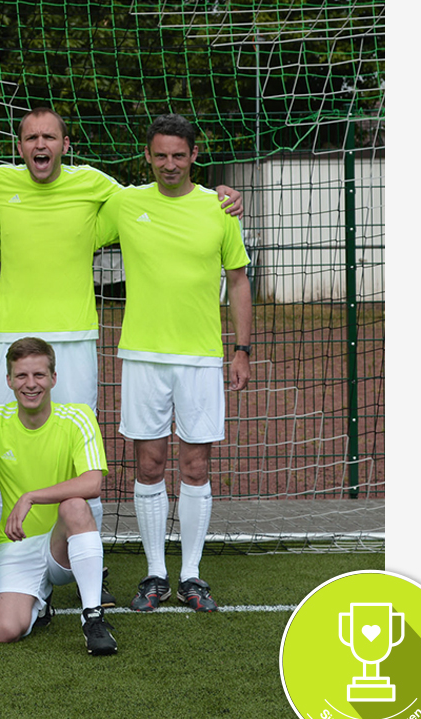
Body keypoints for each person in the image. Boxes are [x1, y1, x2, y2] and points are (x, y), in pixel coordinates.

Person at [0, 107, 243, 533]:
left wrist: (218, 193)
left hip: (75, 340)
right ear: (19, 148)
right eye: (32, 138)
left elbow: (156, 196)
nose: (41, 145)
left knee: (77, 449)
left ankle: (82, 552)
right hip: (9, 337)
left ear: (65, 145)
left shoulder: (94, 184)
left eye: (50, 137)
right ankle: (2, 549)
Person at [94, 113, 252, 613]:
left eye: (177, 155)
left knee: (196, 465)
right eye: (159, 155)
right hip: (142, 356)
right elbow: (68, 213)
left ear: (194, 156)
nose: (168, 164)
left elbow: (240, 280)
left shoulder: (219, 207)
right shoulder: (125, 203)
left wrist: (241, 349)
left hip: (201, 358)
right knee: (149, 464)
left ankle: (192, 575)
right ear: (147, 155)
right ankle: (155, 574)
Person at [0, 337, 115, 654]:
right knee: (4, 630)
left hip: (63, 543)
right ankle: (40, 600)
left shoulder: (77, 417)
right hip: (17, 544)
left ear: (53, 378)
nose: (31, 384)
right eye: (22, 376)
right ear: (9, 380)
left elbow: (93, 482)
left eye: (39, 375)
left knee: (75, 505)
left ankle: (93, 617)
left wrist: (31, 496)